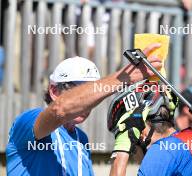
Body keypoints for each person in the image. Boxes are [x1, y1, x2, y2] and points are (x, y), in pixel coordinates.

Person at [5, 43, 162, 176]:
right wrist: (122, 79)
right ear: (54, 91)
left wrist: (122, 148)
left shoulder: (82, 139)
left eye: (91, 94)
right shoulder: (28, 121)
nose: (88, 102)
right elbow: (59, 109)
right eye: (79, 90)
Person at [108, 82, 192, 176]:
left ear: (142, 133)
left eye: (132, 150)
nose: (134, 156)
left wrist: (121, 150)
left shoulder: (162, 151)